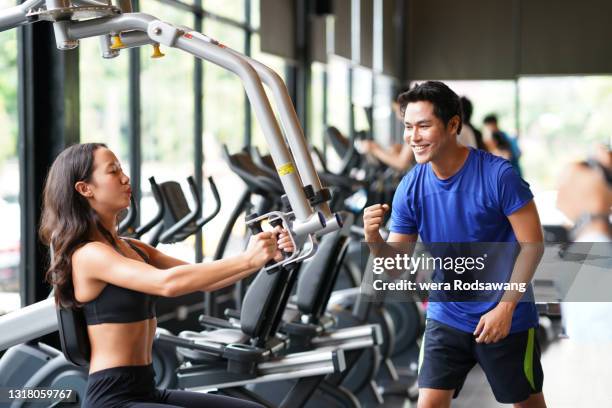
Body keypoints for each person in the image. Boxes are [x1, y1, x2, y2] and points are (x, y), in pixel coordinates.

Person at [39, 143, 293, 408]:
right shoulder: (89, 255)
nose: (125, 178)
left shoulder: (132, 247)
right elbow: (167, 284)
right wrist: (248, 258)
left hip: (146, 389)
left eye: (122, 169)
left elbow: (207, 281)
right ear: (85, 188)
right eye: (113, 172)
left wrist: (265, 254)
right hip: (113, 399)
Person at [363, 81, 546, 408]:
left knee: (527, 405)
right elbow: (394, 268)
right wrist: (374, 240)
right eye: (408, 126)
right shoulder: (410, 187)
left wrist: (505, 309)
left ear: (453, 125)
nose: (413, 137)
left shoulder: (498, 176)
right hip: (447, 313)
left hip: (506, 315)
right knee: (429, 403)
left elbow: (533, 245)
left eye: (423, 126)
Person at [360, 90, 415, 172]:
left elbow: (402, 164)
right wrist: (399, 148)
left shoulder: (414, 129)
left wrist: (374, 149)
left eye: (397, 109)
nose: (397, 115)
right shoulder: (411, 129)